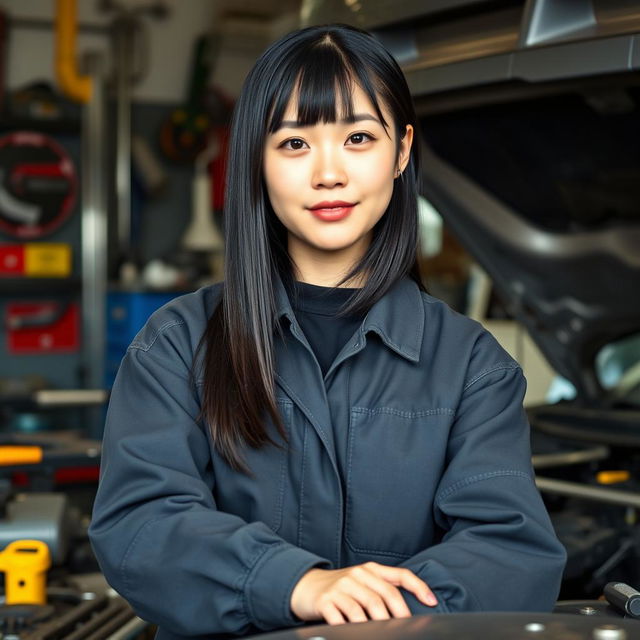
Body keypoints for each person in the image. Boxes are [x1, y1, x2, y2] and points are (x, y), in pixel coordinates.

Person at [88, 23, 567, 640]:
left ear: (401, 152)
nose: (329, 173)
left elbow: (511, 552)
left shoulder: (473, 365)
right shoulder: (178, 345)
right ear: (255, 162)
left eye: (359, 137)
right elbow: (140, 525)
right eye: (294, 144)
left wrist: (374, 616)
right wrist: (295, 583)